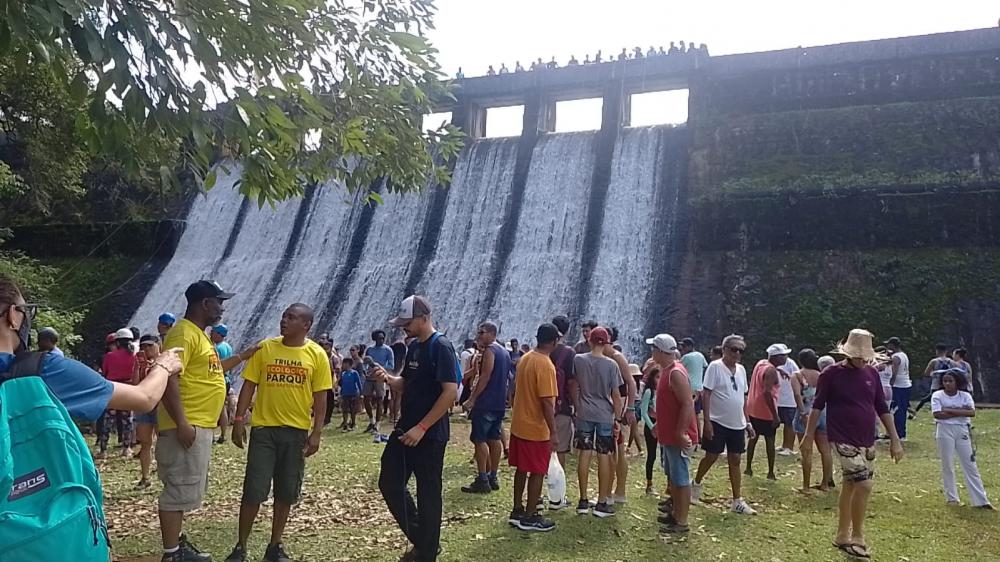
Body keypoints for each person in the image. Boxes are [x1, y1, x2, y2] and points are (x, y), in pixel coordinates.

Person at [158, 280, 257, 562]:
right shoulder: (183, 334)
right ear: (205, 303)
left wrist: (243, 356)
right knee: (177, 488)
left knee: (185, 487)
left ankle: (176, 545)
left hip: (198, 424)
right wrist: (182, 422)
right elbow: (169, 378)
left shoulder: (199, 336)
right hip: (187, 424)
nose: (222, 307)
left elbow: (211, 371)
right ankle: (171, 554)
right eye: (219, 302)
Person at [225, 304, 331, 562]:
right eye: (284, 316)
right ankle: (241, 547)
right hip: (264, 431)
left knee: (286, 492)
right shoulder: (266, 348)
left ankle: (275, 546)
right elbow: (249, 386)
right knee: (253, 491)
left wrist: (316, 433)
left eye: (291, 318)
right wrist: (239, 419)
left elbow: (321, 398)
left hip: (296, 433)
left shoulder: (316, 355)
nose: (284, 321)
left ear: (306, 325)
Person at [802, 329, 904, 560]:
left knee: (851, 484)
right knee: (864, 484)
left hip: (867, 438)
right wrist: (808, 436)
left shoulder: (871, 374)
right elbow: (817, 406)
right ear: (848, 354)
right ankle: (858, 536)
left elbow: (882, 408)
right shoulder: (831, 374)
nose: (861, 360)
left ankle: (841, 535)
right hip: (841, 437)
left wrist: (895, 440)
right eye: (857, 355)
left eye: (864, 356)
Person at [376, 296, 458, 562]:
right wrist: (387, 378)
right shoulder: (414, 348)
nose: (404, 328)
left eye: (408, 322)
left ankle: (426, 553)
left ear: (424, 318)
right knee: (389, 482)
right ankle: (425, 541)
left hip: (429, 434)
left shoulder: (441, 347)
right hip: (406, 428)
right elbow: (406, 383)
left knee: (428, 492)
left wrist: (422, 427)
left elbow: (450, 393)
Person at [691, 335, 757, 515]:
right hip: (718, 421)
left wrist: (748, 422)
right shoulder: (715, 367)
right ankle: (695, 483)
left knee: (735, 459)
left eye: (740, 350)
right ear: (725, 349)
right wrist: (707, 422)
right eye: (733, 349)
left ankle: (737, 500)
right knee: (711, 456)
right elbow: (707, 394)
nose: (737, 353)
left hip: (737, 423)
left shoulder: (742, 370)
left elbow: (743, 397)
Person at [507, 323, 560, 532]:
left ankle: (517, 509)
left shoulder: (525, 358)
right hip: (536, 429)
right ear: (554, 341)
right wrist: (554, 431)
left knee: (522, 469)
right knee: (537, 471)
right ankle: (530, 516)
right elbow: (547, 402)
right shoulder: (545, 365)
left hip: (519, 424)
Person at [647, 333, 697, 534]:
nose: (652, 352)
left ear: (660, 351)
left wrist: (681, 432)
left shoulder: (676, 372)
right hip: (668, 434)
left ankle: (682, 522)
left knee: (681, 478)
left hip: (677, 436)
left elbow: (687, 402)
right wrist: (659, 424)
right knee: (673, 476)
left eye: (654, 349)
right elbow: (669, 404)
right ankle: (676, 513)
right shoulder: (667, 370)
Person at [572, 327, 623, 517]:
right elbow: (616, 395)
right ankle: (602, 502)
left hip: (584, 412)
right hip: (604, 415)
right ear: (606, 342)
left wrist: (577, 406)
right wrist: (618, 418)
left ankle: (583, 500)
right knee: (604, 455)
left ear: (590, 341)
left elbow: (575, 384)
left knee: (584, 454)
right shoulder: (611, 365)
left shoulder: (579, 360)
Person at [931, 369, 992, 509]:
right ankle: (952, 497)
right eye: (945, 381)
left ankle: (981, 500)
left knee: (970, 465)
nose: (947, 384)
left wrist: (949, 410)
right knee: (947, 464)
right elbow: (937, 414)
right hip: (944, 430)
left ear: (957, 382)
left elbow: (971, 412)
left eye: (950, 381)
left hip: (962, 429)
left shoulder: (964, 395)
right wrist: (960, 411)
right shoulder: (937, 395)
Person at [461, 321, 510, 494]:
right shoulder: (505, 352)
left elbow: (485, 376)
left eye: (481, 332)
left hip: (486, 402)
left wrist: (472, 399)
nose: (478, 336)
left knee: (479, 439)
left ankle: (482, 478)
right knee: (494, 438)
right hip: (498, 402)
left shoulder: (490, 351)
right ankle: (492, 476)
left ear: (491, 333)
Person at [598, 327, 637, 505]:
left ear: (609, 340)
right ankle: (614, 491)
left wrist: (629, 408)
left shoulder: (617, 357)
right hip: (609, 407)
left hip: (617, 408)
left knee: (617, 450)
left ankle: (617, 491)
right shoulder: (604, 358)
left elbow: (631, 383)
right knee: (614, 450)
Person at [791, 349, 834, 493]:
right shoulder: (821, 375)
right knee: (826, 450)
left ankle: (806, 486)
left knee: (806, 451)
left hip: (807, 412)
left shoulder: (797, 376)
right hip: (823, 412)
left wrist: (802, 412)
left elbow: (797, 395)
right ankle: (825, 483)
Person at [745, 344, 786, 480]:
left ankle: (748, 468)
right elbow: (767, 393)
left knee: (753, 439)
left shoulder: (762, 363)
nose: (786, 357)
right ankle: (770, 472)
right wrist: (775, 416)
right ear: (776, 357)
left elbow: (766, 375)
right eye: (784, 355)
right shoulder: (771, 371)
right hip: (765, 411)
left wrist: (779, 372)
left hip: (753, 408)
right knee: (770, 441)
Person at [548, 315, 576, 509]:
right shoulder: (568, 352)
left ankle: (538, 496)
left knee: (541, 451)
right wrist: (575, 406)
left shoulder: (539, 350)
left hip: (541, 407)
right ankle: (558, 497)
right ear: (566, 331)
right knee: (561, 451)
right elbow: (572, 382)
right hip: (561, 407)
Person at [98, 327, 139, 459]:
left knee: (108, 421)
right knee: (127, 420)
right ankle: (126, 449)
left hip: (113, 389)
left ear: (117, 342)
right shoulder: (134, 356)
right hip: (128, 389)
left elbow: (105, 373)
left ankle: (103, 451)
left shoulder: (109, 356)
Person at [133, 334, 163, 489]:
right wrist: (139, 367)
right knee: (146, 443)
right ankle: (145, 477)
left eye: (150, 346)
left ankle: (165, 474)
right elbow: (135, 384)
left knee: (163, 441)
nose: (147, 349)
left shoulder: (163, 362)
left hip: (160, 406)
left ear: (158, 345)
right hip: (144, 406)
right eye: (143, 346)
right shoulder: (140, 364)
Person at [913, 344, 957, 417]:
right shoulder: (952, 362)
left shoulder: (934, 361)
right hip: (948, 385)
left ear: (937, 351)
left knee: (934, 400)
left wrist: (934, 374)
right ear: (946, 351)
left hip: (936, 385)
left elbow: (926, 373)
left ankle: (937, 415)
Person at [366, 329, 395, 436]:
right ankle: (371, 420)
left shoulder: (388, 350)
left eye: (383, 338)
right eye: (379, 338)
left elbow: (391, 366)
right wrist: (366, 370)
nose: (381, 340)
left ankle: (377, 424)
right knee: (366, 398)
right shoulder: (370, 349)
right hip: (369, 377)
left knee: (379, 399)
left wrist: (378, 366)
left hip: (380, 377)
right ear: (374, 339)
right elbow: (366, 362)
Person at [211, 324, 235, 444]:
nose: (211, 334)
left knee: (215, 408)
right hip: (227, 381)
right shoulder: (228, 346)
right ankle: (223, 434)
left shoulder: (217, 348)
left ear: (219, 334)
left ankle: (211, 435)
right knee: (222, 408)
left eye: (213, 332)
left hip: (218, 379)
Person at [679, 338, 707, 438]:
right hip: (699, 388)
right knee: (696, 414)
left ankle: (693, 435)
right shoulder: (700, 355)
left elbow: (677, 367)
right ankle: (698, 436)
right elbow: (705, 366)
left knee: (689, 413)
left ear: (690, 346)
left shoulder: (686, 357)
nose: (682, 348)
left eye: (684, 346)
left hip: (689, 388)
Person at [884, 336, 911, 439]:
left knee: (896, 410)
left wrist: (890, 384)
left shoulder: (895, 357)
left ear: (893, 345)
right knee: (902, 409)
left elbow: (893, 373)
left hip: (898, 385)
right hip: (906, 384)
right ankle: (899, 432)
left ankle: (899, 433)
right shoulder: (904, 355)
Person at [640, 366, 661, 496]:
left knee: (666, 455)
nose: (659, 380)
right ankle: (649, 483)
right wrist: (652, 426)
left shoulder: (665, 391)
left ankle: (670, 485)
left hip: (663, 424)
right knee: (651, 455)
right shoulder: (649, 392)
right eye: (657, 377)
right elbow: (643, 411)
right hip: (651, 424)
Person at [776, 349, 800, 456]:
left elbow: (797, 377)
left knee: (790, 424)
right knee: (784, 424)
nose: (785, 356)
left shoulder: (791, 364)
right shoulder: (775, 364)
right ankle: (784, 445)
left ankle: (789, 447)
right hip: (779, 399)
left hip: (789, 400)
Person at [338, 357, 362, 430]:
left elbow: (358, 383)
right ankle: (345, 424)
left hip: (353, 393)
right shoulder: (343, 373)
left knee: (352, 410)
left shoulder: (354, 373)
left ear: (348, 364)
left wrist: (361, 393)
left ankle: (353, 423)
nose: (343, 365)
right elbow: (341, 383)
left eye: (344, 363)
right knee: (345, 409)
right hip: (345, 394)